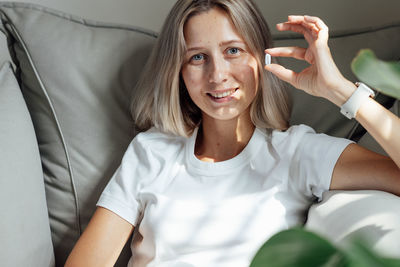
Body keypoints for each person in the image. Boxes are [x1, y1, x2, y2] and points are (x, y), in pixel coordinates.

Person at [65, 0, 400, 266]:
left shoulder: (297, 151)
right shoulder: (151, 151)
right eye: (197, 57)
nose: (218, 75)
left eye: (233, 51)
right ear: (178, 72)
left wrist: (339, 90)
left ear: (260, 57)